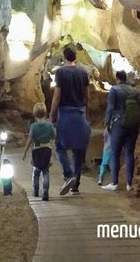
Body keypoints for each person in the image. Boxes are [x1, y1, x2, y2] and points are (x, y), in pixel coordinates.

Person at [50, 46, 91, 196]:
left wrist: (52, 115)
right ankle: (75, 185)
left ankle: (68, 175)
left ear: (64, 57)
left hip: (65, 114)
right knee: (78, 150)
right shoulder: (83, 72)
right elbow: (87, 96)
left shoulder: (61, 72)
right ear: (76, 57)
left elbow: (57, 96)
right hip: (80, 113)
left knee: (60, 147)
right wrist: (87, 114)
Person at [102, 71, 140, 192]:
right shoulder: (134, 91)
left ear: (117, 79)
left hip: (119, 124)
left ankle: (114, 182)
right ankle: (129, 184)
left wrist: (107, 124)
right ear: (125, 78)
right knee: (129, 153)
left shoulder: (114, 90)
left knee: (115, 153)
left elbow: (110, 108)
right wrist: (139, 118)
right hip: (133, 126)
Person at [22, 102, 55, 201]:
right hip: (47, 150)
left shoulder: (33, 126)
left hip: (36, 150)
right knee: (45, 171)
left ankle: (36, 191)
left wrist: (24, 152)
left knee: (36, 171)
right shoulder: (49, 125)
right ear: (45, 113)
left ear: (34, 114)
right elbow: (53, 136)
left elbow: (30, 140)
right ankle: (45, 192)